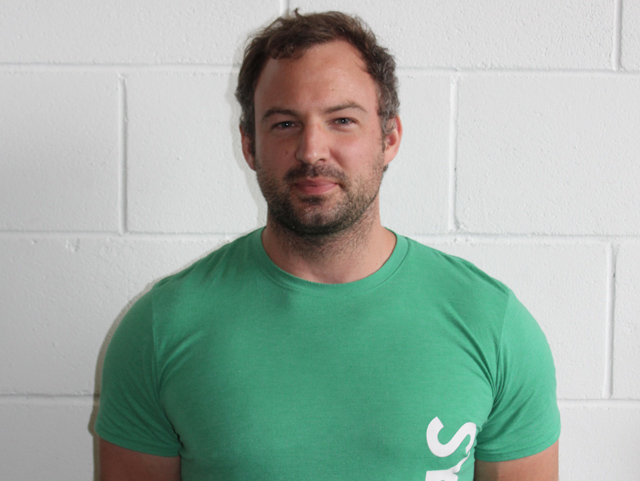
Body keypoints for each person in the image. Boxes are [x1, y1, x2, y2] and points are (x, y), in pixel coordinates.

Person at [96, 10, 560, 481]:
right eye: (284, 124)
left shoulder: (491, 324)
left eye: (341, 120)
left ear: (389, 137)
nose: (312, 150)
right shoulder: (162, 329)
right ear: (250, 145)